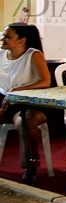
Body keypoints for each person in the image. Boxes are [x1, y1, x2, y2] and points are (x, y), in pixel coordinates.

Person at [0, 23, 51, 183]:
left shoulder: (33, 55)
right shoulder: (1, 54)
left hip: (29, 102)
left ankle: (31, 166)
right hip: (4, 100)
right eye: (3, 35)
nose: (3, 39)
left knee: (25, 121)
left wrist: (17, 91)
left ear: (22, 40)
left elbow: (45, 81)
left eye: (8, 36)